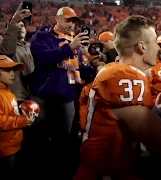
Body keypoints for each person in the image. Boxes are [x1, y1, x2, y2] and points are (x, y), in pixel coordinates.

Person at [74, 15, 161, 180]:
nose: (158, 49)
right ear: (142, 46)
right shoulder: (126, 78)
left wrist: (155, 111)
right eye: (154, 42)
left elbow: (124, 124)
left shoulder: (115, 69)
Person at [29, 6, 89, 178]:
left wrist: (97, 68)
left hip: (67, 96)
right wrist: (70, 47)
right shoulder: (42, 36)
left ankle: (57, 170)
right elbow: (42, 59)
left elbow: (79, 68)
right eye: (68, 20)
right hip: (43, 94)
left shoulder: (73, 42)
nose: (71, 24)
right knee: (37, 136)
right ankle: (36, 170)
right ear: (58, 18)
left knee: (62, 138)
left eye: (74, 21)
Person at [0, 55, 34, 179]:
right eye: (7, 70)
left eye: (13, 70)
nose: (12, 74)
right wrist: (23, 121)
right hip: (5, 148)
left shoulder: (9, 92)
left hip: (14, 144)